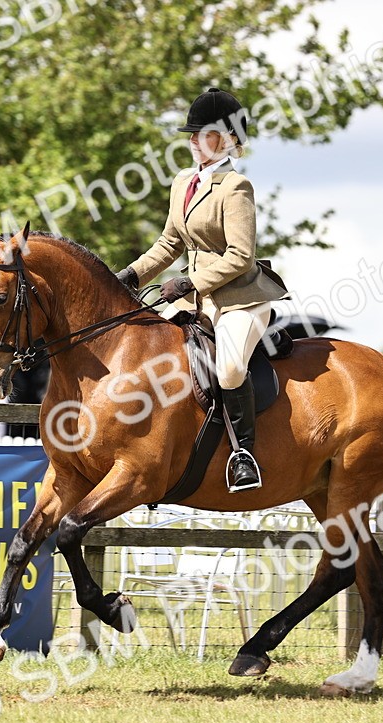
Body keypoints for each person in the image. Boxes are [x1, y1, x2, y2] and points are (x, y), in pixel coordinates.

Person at [116, 87, 288, 492]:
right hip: (197, 301)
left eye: (203, 134)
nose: (193, 141)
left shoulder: (236, 187)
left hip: (239, 300)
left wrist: (190, 282)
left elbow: (241, 256)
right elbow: (169, 243)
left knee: (228, 367)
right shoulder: (182, 183)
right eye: (191, 134)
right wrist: (129, 276)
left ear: (227, 138)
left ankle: (243, 454)